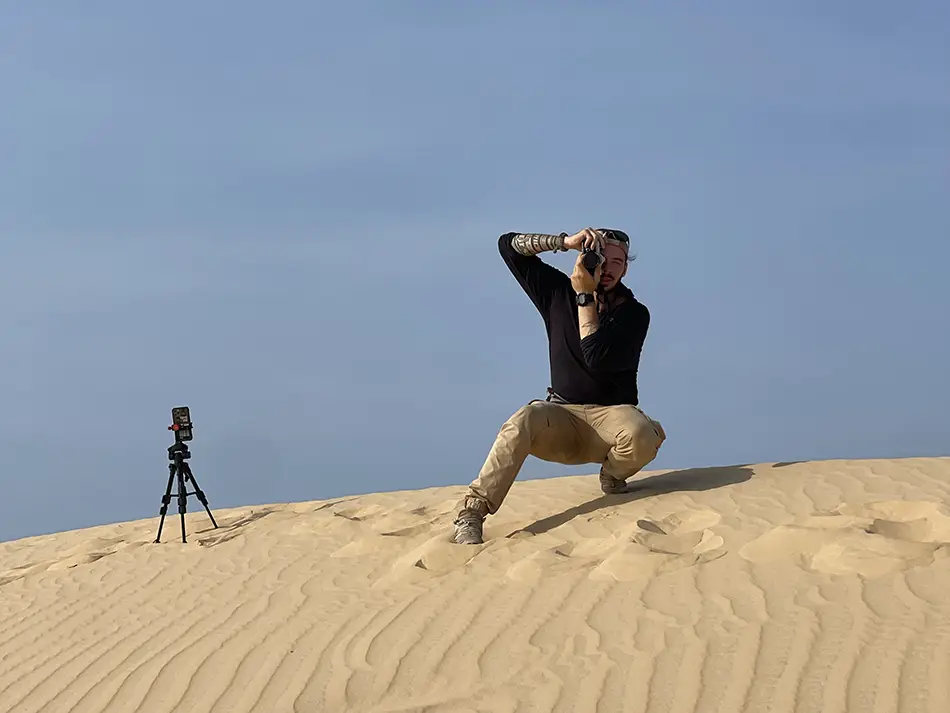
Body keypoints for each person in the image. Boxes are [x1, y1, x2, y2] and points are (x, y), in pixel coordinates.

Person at [453, 227, 666, 545]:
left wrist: (584, 295)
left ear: (626, 267)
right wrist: (563, 243)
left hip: (611, 422)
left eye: (617, 262)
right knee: (523, 418)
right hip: (562, 418)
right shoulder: (556, 291)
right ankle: (472, 512)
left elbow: (594, 356)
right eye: (600, 259)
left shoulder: (634, 314)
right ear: (584, 258)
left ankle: (613, 474)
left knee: (642, 433)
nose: (607, 268)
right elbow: (507, 247)